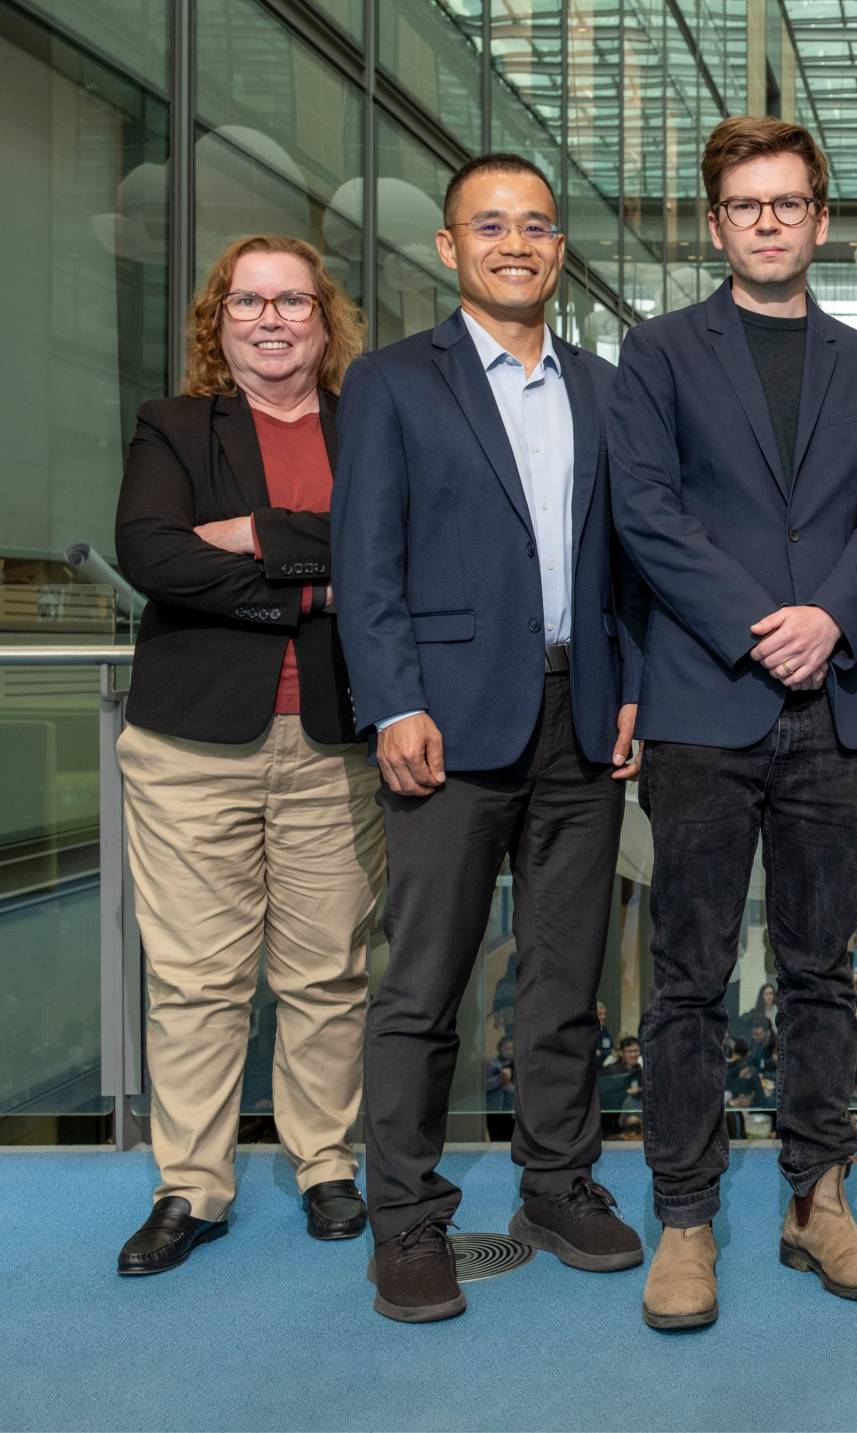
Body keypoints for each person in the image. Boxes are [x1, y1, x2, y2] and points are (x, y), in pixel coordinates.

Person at [607, 116, 857, 1330]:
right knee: (685, 974)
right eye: (748, 206)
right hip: (704, 701)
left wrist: (830, 618)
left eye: (790, 203)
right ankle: (686, 1217)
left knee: (821, 973)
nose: (771, 223)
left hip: (831, 709)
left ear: (822, 219)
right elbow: (645, 513)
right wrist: (759, 623)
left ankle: (817, 1201)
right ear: (715, 223)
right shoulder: (660, 355)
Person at [334, 152, 648, 1324]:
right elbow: (367, 561)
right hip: (447, 725)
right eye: (491, 225)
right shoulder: (391, 383)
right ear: (450, 247)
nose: (516, 243)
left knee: (564, 980)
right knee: (422, 986)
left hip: (583, 719)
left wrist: (634, 686)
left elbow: (628, 568)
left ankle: (556, 1184)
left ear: (560, 249)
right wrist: (393, 701)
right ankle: (406, 1216)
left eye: (536, 226)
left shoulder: (609, 389)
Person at [112, 234, 382, 1277]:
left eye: (293, 303)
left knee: (327, 970)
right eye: (248, 303)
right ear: (218, 323)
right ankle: (191, 1184)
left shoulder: (368, 424)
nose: (271, 321)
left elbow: (387, 550)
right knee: (196, 977)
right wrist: (313, 575)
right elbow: (151, 551)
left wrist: (253, 533)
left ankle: (324, 1164)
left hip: (333, 738)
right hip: (191, 743)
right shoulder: (173, 426)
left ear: (326, 320)